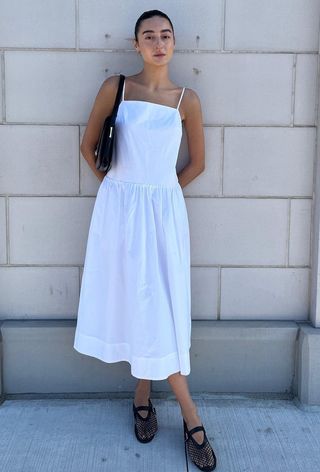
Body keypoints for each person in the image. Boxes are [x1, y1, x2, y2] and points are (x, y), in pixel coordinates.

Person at [73, 9, 217, 471]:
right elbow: (88, 145)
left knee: (161, 304)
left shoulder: (186, 100)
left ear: (175, 43)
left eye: (166, 35)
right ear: (136, 44)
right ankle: (183, 412)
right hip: (119, 212)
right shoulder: (116, 88)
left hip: (164, 214)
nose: (159, 42)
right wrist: (119, 189)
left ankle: (146, 393)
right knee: (137, 301)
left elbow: (196, 163)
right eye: (149, 36)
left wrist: (161, 192)